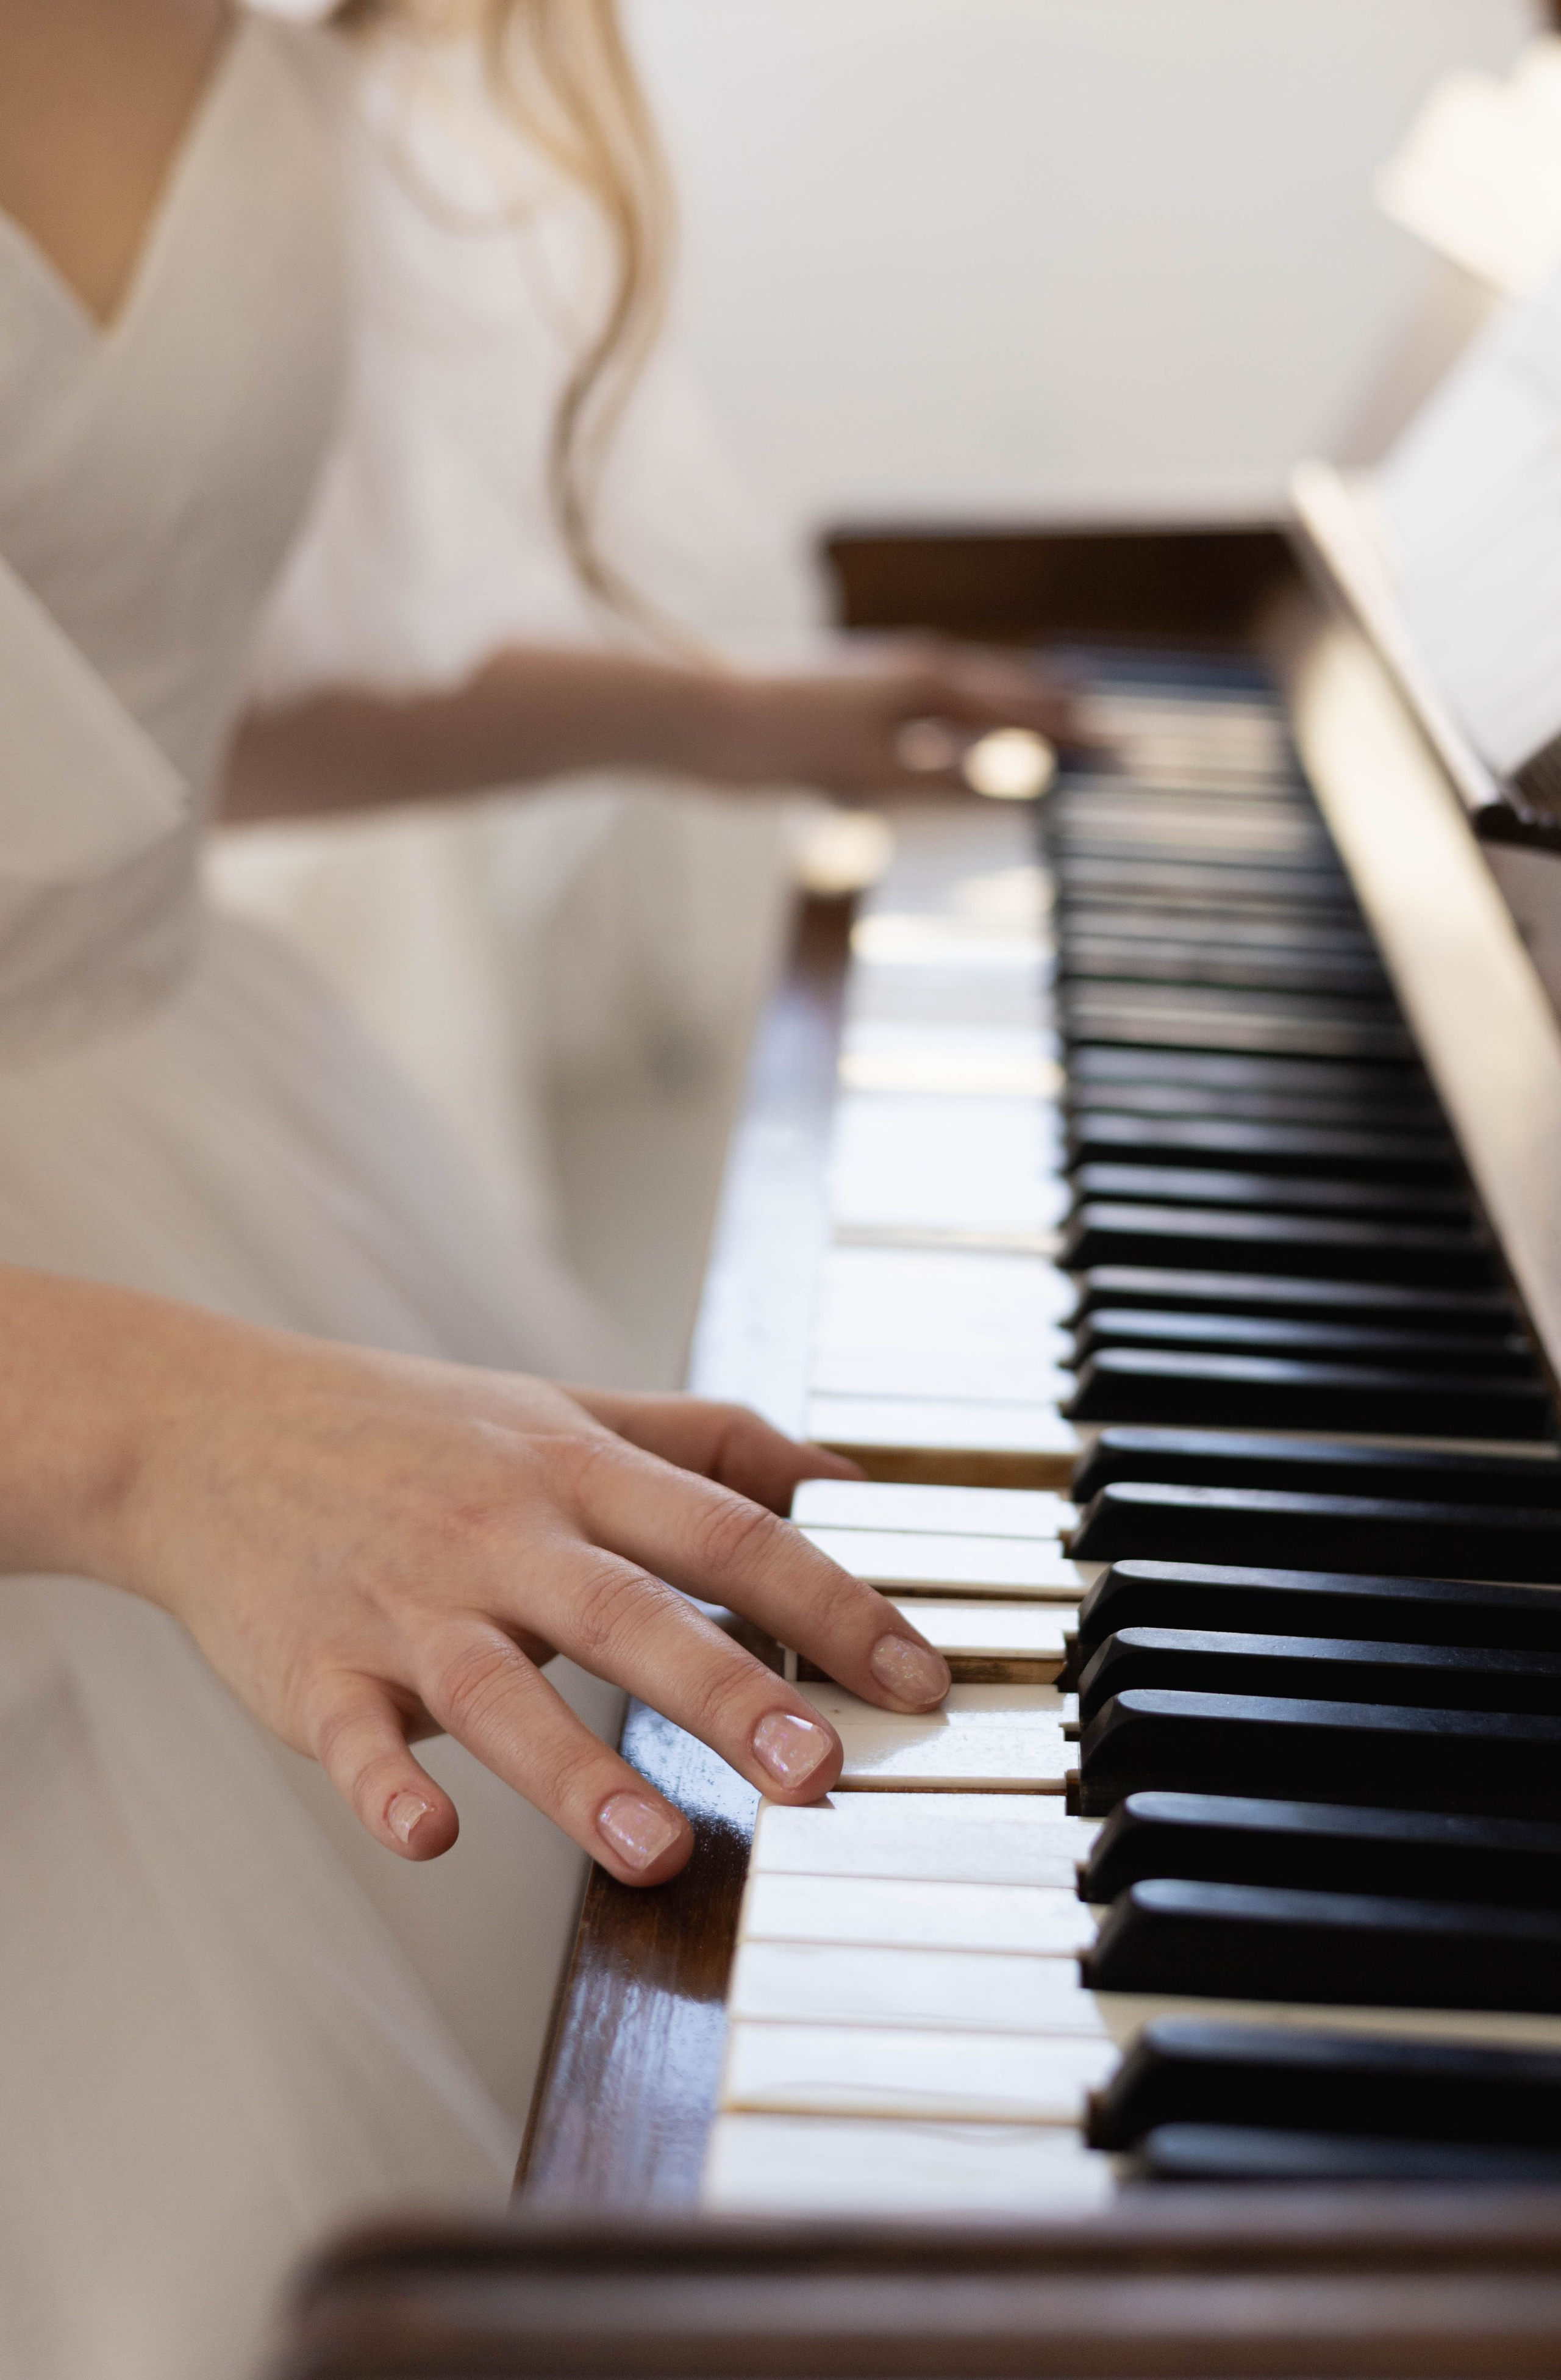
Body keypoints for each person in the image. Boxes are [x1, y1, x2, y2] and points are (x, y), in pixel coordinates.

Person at [0, 3, 1065, 2374]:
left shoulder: (291, 39)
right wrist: (171, 1429)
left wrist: (716, 718)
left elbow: (103, 716)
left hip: (209, 1155)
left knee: (538, 2086)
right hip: (88, 1361)